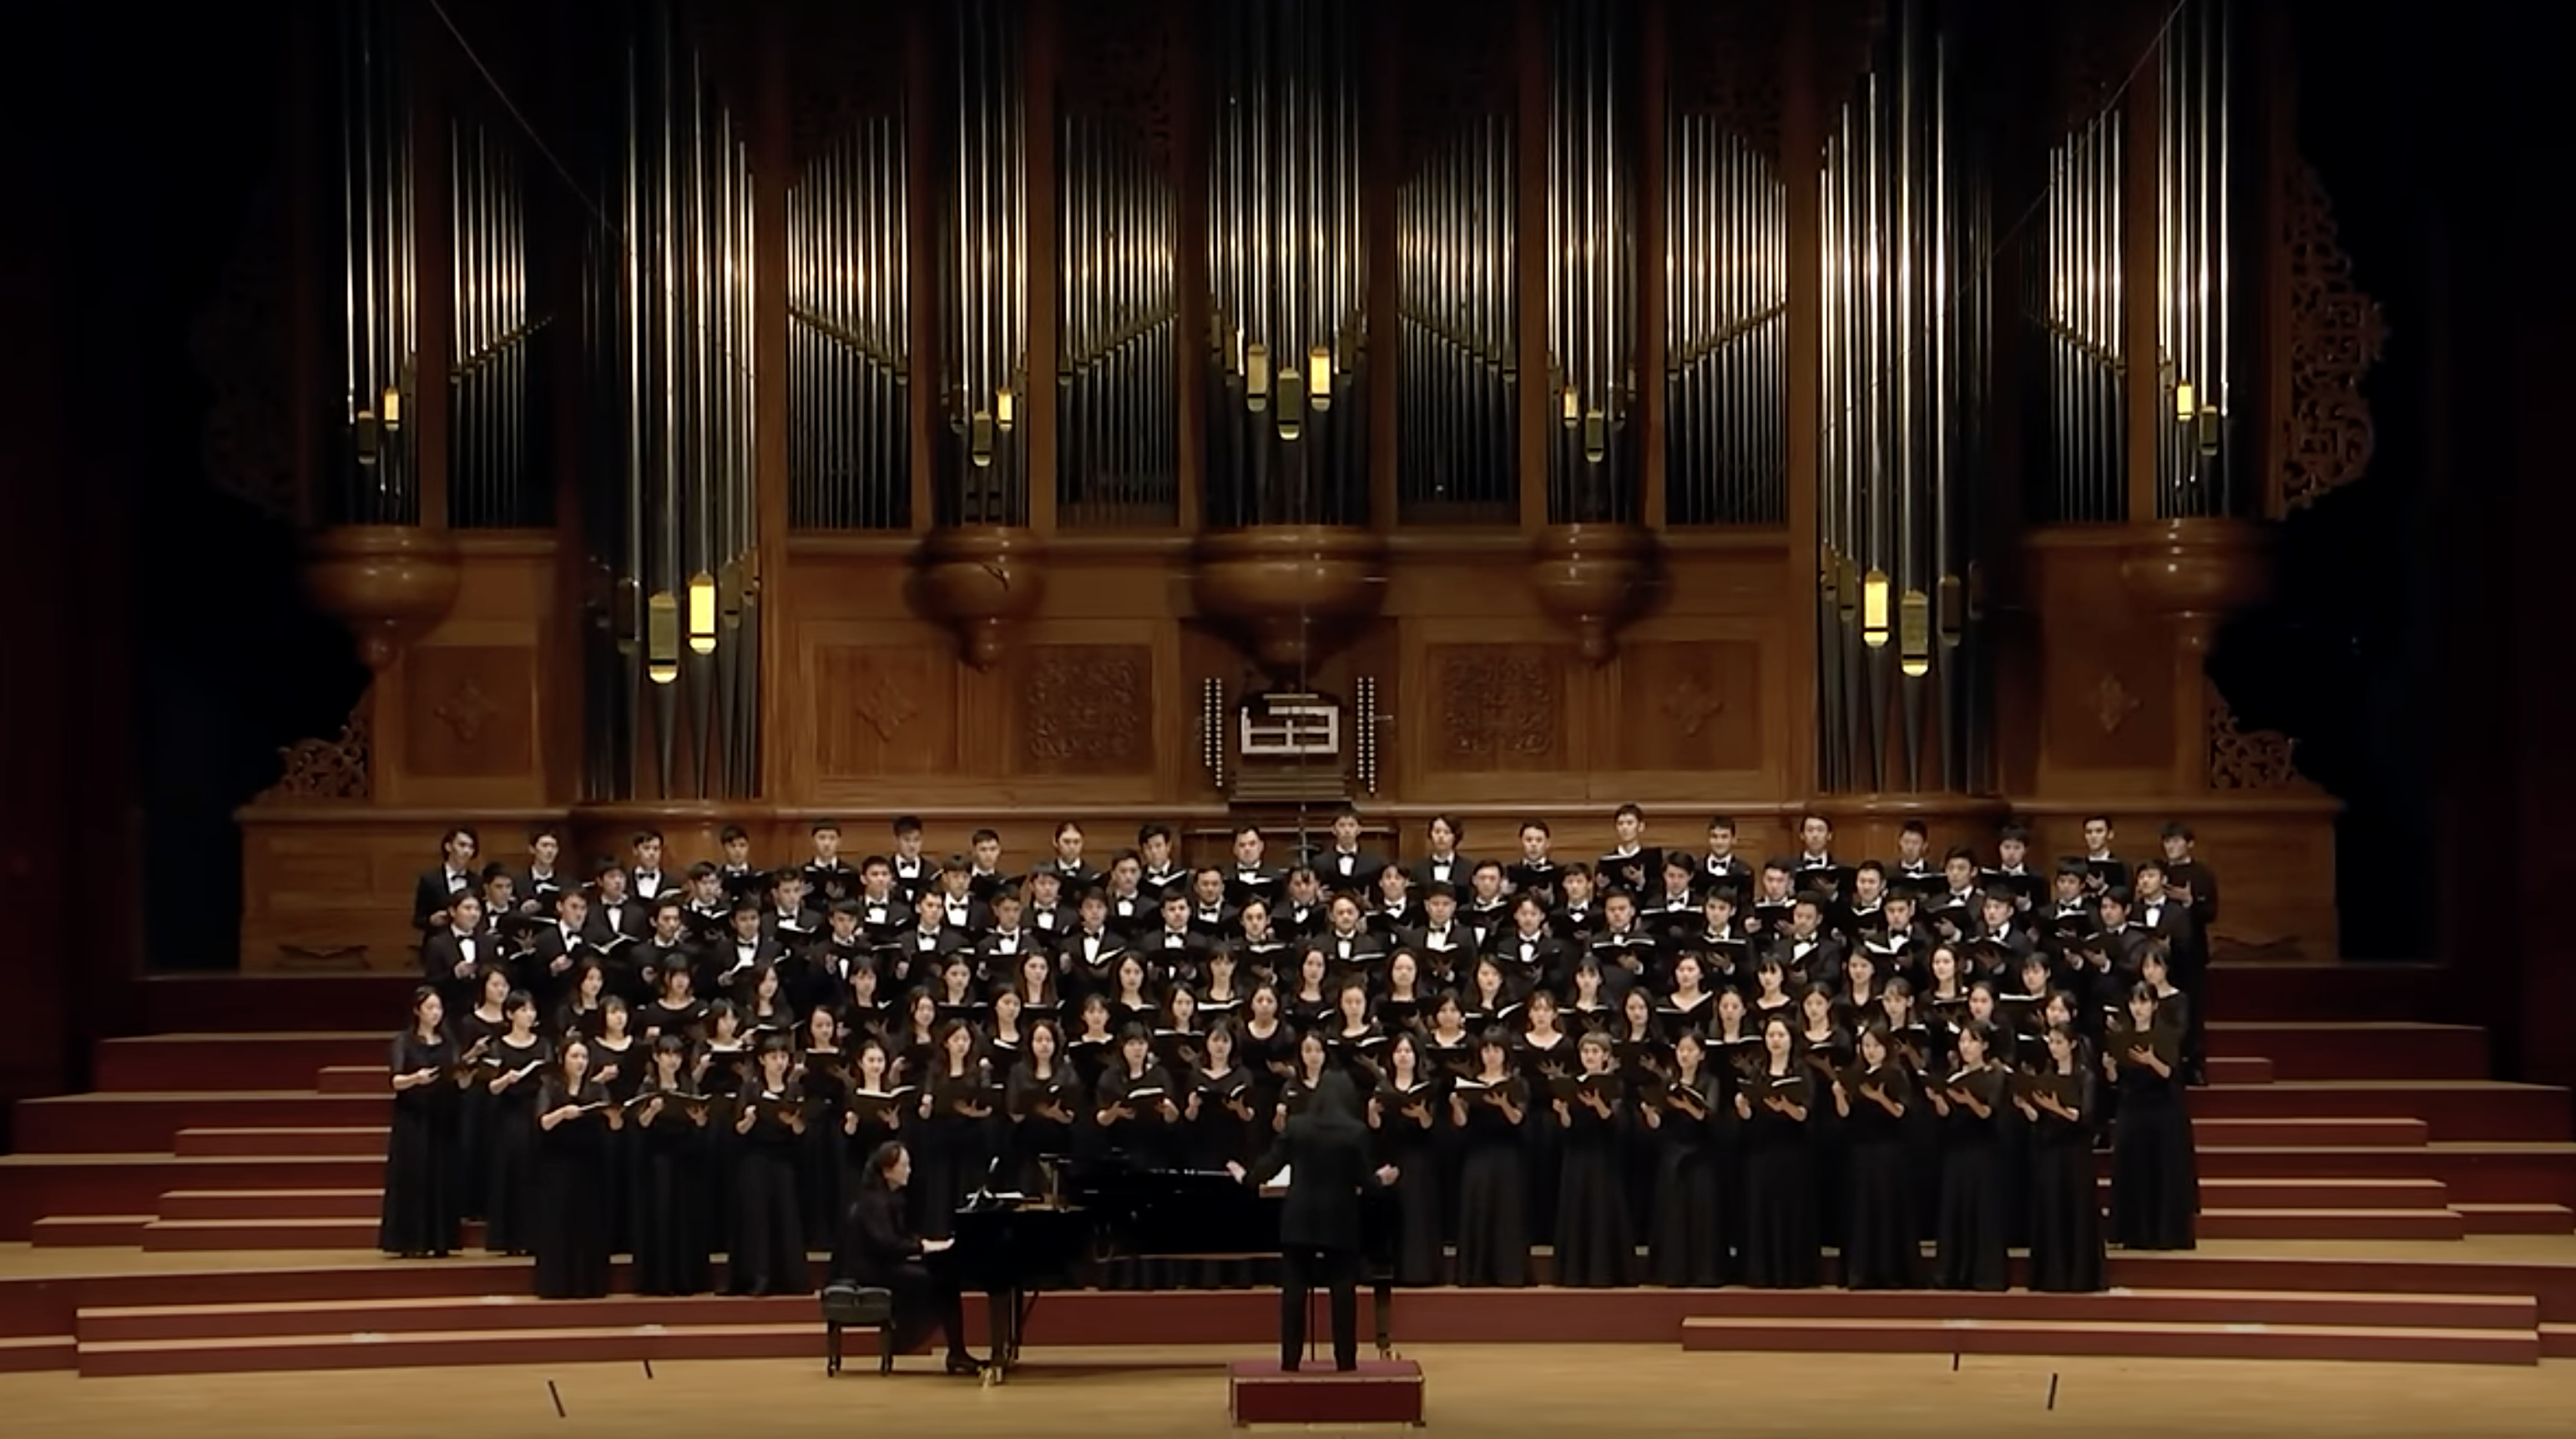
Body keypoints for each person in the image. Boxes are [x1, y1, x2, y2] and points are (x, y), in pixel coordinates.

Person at [1229, 1068, 1399, 1371]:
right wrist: (1382, 1179)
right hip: (1341, 1220)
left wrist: (1245, 1177)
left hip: (1299, 1219)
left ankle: (1290, 1361)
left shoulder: (1297, 1127)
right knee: (1343, 1293)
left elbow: (1267, 1167)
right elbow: (1366, 1182)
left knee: (1293, 1293)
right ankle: (1345, 1361)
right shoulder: (1355, 1131)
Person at [833, 1140, 983, 1375]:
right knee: (939, 1282)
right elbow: (887, 1244)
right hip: (870, 1270)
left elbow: (898, 1239)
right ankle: (943, 1348)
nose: (909, 1171)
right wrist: (923, 1247)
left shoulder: (890, 1198)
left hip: (884, 1264)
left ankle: (954, 1351)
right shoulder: (874, 1201)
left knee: (942, 1281)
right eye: (904, 1165)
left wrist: (924, 1246)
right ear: (887, 1170)